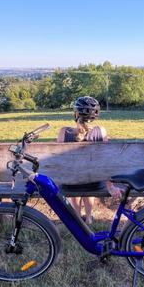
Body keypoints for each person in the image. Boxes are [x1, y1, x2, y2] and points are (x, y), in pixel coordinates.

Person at [57, 96, 123, 225]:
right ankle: (88, 218)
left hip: (70, 184)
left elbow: (60, 161)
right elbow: (104, 160)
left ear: (76, 113)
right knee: (90, 176)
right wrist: (110, 186)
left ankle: (76, 218)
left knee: (75, 177)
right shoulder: (101, 131)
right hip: (94, 183)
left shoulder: (63, 132)